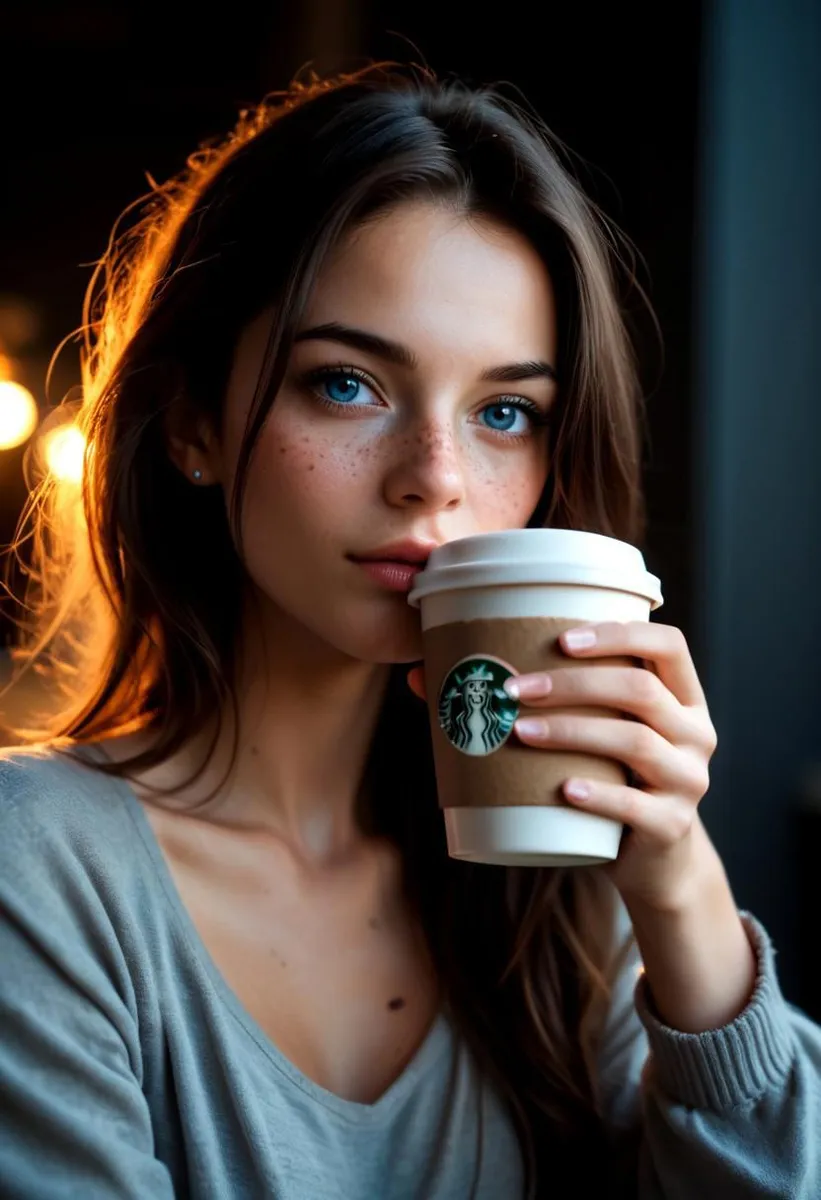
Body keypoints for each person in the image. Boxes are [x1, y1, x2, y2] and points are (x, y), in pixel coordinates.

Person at [0, 63, 818, 1200]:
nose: (433, 482)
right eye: (346, 385)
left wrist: (675, 879)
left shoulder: (558, 885)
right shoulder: (39, 862)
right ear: (192, 420)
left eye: (502, 412)